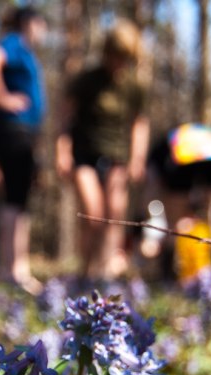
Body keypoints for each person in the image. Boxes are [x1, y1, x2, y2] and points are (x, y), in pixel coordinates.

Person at [56, 19, 150, 281]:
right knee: (92, 215)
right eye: (114, 55)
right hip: (84, 155)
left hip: (118, 156)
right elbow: (65, 117)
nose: (118, 62)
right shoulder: (87, 80)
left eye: (124, 57)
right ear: (106, 52)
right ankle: (85, 271)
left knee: (114, 214)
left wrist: (137, 158)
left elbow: (139, 123)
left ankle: (105, 272)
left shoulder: (134, 85)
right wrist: (62, 151)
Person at [0, 6, 47, 295]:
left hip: (21, 134)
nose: (44, 31)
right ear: (30, 23)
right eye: (42, 24)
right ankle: (15, 270)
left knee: (17, 201)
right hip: (15, 133)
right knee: (15, 201)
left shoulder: (21, 49)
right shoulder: (15, 44)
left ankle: (13, 268)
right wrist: (3, 97)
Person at [143, 123, 211, 282]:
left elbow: (152, 196)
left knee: (177, 220)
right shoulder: (166, 149)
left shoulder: (161, 154)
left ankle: (174, 272)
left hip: (190, 159)